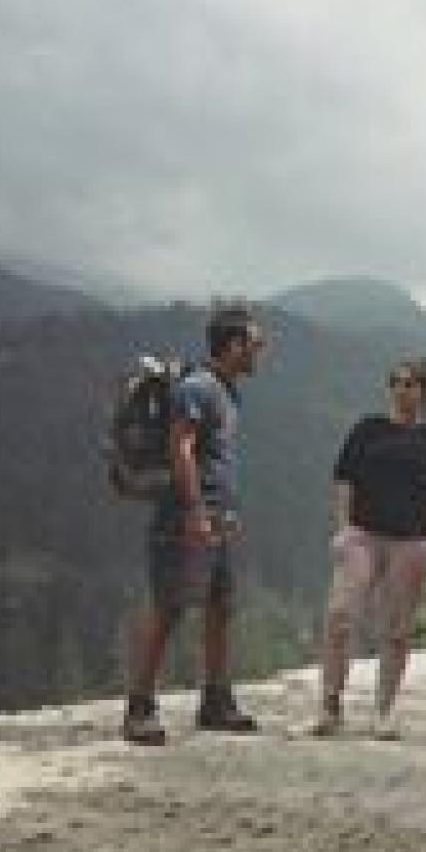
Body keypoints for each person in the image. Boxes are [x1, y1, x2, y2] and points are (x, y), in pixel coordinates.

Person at [122, 303, 266, 745]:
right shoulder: (197, 389)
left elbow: (213, 455)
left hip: (217, 516)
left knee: (220, 606)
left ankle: (215, 701)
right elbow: (180, 448)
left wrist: (223, 512)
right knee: (168, 607)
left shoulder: (226, 391)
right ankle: (139, 708)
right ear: (235, 344)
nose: (260, 353)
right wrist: (195, 510)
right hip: (186, 516)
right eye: (256, 344)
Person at [313, 358, 426, 740]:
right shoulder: (367, 430)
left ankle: (384, 711)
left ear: (424, 392)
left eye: (411, 384)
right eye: (397, 382)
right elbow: (344, 480)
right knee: (340, 614)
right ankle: (330, 705)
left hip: (410, 541)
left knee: (397, 629)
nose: (403, 389)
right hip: (363, 535)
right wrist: (344, 529)